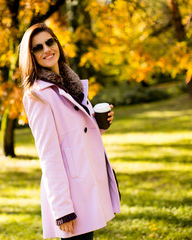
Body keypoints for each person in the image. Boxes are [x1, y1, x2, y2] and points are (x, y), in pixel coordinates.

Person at [19, 23, 121, 240]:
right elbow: (49, 155)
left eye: (49, 42)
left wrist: (99, 125)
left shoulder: (70, 83)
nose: (46, 49)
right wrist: (63, 209)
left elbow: (75, 135)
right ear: (31, 56)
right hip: (70, 193)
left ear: (57, 43)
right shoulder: (38, 95)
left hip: (87, 181)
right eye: (37, 48)